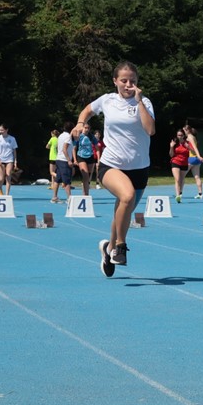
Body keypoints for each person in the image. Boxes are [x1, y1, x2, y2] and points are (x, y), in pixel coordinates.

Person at [76, 60, 156, 277]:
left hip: (139, 168)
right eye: (124, 80)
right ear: (115, 81)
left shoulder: (145, 102)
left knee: (123, 213)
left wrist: (139, 102)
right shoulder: (107, 100)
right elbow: (87, 110)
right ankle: (120, 246)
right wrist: (81, 123)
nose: (128, 85)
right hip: (111, 164)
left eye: (133, 81)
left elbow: (150, 130)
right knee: (127, 196)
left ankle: (108, 249)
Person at [0, 124, 19, 195]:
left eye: (2, 130)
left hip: (9, 160)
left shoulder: (12, 139)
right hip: (0, 160)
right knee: (1, 179)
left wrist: (15, 161)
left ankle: (7, 194)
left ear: (6, 130)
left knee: (8, 175)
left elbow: (14, 151)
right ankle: (0, 188)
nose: (0, 131)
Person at [71, 126, 97, 195]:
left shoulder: (91, 136)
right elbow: (74, 148)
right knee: (85, 175)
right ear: (82, 128)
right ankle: (85, 194)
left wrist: (99, 159)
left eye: (88, 128)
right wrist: (75, 160)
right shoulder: (79, 136)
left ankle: (85, 193)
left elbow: (97, 148)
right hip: (81, 156)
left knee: (87, 177)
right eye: (85, 128)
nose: (87, 129)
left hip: (90, 157)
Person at [53, 121, 74, 203]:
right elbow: (64, 149)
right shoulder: (68, 137)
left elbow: (57, 147)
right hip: (64, 160)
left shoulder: (60, 136)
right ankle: (69, 198)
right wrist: (69, 160)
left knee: (57, 179)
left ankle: (54, 197)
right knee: (66, 180)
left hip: (58, 159)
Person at [182, 125, 203, 198]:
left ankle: (179, 193)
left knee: (181, 176)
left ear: (188, 130)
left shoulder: (190, 137)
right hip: (196, 160)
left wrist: (199, 156)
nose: (184, 132)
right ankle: (200, 194)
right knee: (197, 177)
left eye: (184, 130)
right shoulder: (193, 137)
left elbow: (194, 148)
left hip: (192, 158)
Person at [169, 128, 191, 202]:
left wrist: (188, 147)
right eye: (178, 135)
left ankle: (180, 192)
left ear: (184, 135)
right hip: (175, 161)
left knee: (181, 179)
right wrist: (171, 147)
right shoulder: (175, 143)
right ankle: (177, 195)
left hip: (184, 163)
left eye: (181, 135)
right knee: (177, 179)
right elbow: (171, 155)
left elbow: (194, 151)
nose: (180, 137)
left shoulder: (187, 143)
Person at [45, 128, 60, 200]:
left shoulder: (52, 139)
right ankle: (52, 184)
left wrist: (51, 147)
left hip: (52, 157)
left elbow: (47, 146)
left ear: (53, 134)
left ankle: (59, 177)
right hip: (58, 157)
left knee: (52, 172)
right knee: (54, 171)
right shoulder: (58, 139)